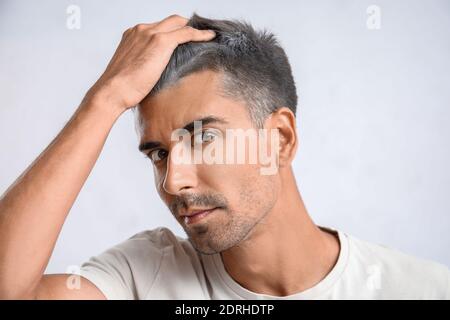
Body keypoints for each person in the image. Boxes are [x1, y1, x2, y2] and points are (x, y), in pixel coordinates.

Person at [0, 13, 448, 300]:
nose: (172, 183)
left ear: (280, 139)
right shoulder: (142, 276)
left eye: (202, 138)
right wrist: (105, 99)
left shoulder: (421, 289)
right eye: (158, 153)